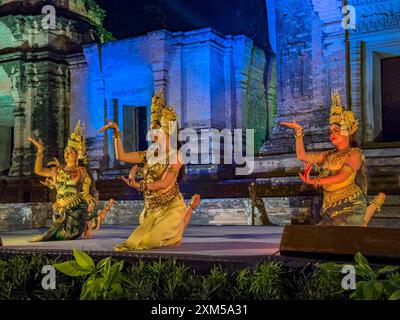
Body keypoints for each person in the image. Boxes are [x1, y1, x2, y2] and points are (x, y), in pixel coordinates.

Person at [98, 93, 201, 250]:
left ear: (168, 133)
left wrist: (139, 186)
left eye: (157, 130)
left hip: (170, 209)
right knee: (133, 243)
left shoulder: (176, 156)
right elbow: (122, 156)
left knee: (148, 243)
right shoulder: (150, 153)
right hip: (152, 210)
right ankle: (172, 234)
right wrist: (116, 131)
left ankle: (176, 230)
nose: (153, 134)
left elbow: (165, 183)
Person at [280, 91, 385, 226]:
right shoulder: (329, 155)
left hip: (351, 206)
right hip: (331, 208)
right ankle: (372, 208)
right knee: (317, 237)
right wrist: (299, 132)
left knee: (336, 237)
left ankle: (369, 211)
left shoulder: (354, 154)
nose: (332, 134)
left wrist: (314, 180)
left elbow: (341, 177)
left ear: (348, 131)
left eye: (336, 130)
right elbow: (302, 156)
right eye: (331, 131)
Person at [28, 121, 112, 242]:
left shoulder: (81, 171)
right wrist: (40, 150)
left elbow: (86, 193)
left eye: (71, 152)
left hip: (76, 208)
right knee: (57, 232)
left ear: (77, 155)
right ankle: (87, 224)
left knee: (65, 234)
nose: (67, 154)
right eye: (66, 151)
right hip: (60, 208)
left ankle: (86, 223)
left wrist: (91, 203)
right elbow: (39, 170)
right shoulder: (57, 170)